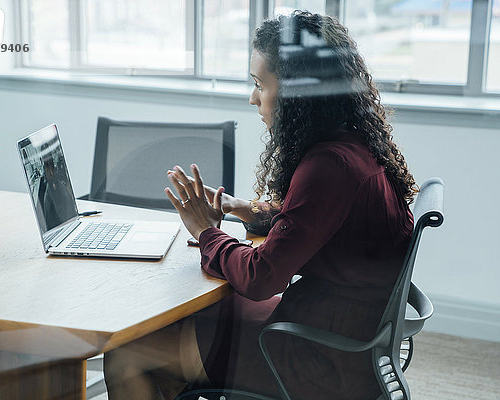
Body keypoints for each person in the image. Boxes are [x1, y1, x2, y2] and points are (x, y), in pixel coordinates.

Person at [103, 10, 416, 400]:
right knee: (179, 329)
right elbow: (313, 221)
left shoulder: (328, 166)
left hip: (317, 358)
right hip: (344, 336)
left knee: (125, 356)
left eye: (259, 85)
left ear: (296, 93)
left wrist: (206, 233)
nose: (253, 98)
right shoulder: (353, 146)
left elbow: (261, 278)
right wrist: (242, 208)